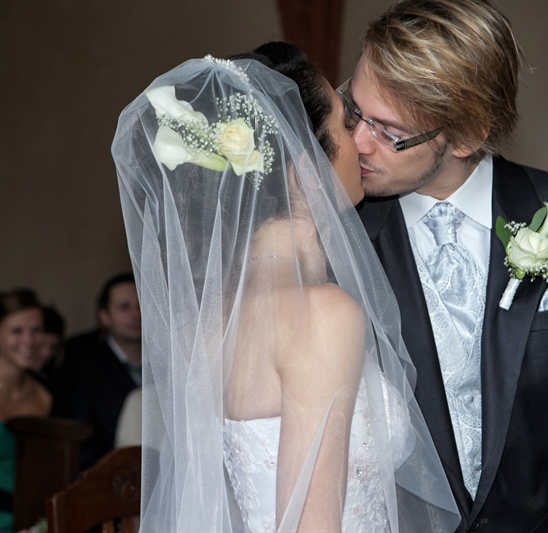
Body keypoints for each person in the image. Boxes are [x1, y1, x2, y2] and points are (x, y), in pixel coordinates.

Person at [111, 47, 459, 532]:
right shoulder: (322, 313)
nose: (361, 143)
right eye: (344, 125)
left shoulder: (217, 311)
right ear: (303, 167)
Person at [350, 1, 548, 531]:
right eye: (355, 112)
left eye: (389, 131)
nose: (357, 143)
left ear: (466, 137)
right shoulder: (335, 231)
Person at [51, 273, 142, 469]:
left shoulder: (168, 366)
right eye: (124, 307)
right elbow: (79, 438)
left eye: (142, 305)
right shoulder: (81, 368)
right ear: (104, 316)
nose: (136, 314)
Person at [0, 289, 51, 531]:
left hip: (31, 523)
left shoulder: (46, 396)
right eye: (17, 331)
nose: (29, 341)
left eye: (36, 330)